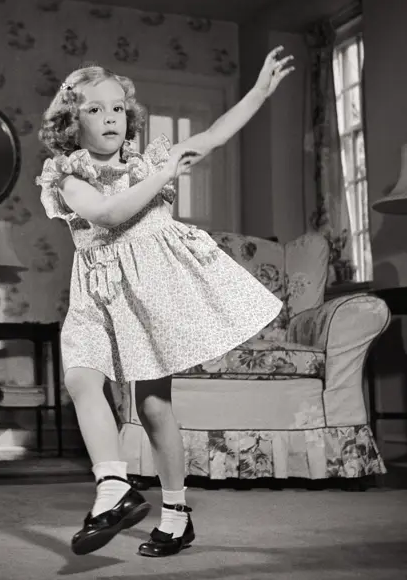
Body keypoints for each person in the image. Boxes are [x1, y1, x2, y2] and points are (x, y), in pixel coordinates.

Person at [35, 46, 294, 557]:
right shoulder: (65, 175)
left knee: (154, 407)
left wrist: (260, 92)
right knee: (81, 379)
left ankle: (176, 516)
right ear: (71, 121)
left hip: (149, 294)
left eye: (116, 108)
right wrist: (163, 175)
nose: (109, 117)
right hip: (94, 294)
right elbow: (107, 215)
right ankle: (112, 487)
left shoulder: (149, 157)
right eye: (94, 109)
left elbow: (216, 134)